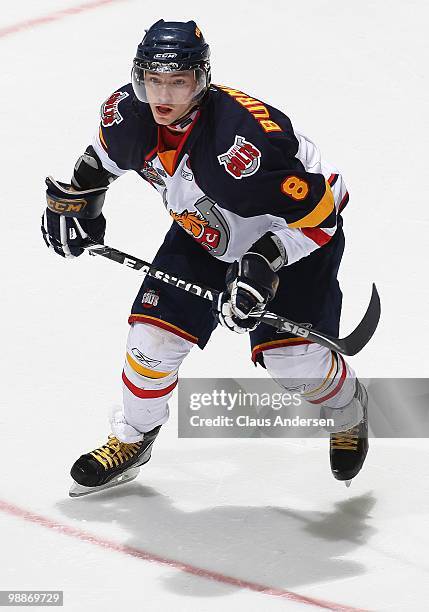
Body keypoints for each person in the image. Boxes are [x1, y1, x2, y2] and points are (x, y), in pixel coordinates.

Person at [41, 19, 369, 497]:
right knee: (148, 344)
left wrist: (263, 261)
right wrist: (80, 198)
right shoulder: (129, 114)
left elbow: (323, 215)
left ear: (202, 80)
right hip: (206, 233)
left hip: (290, 239)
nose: (163, 96)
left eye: (179, 82)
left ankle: (349, 408)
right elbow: (101, 159)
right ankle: (134, 438)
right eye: (153, 80)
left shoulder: (244, 148)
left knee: (295, 366)